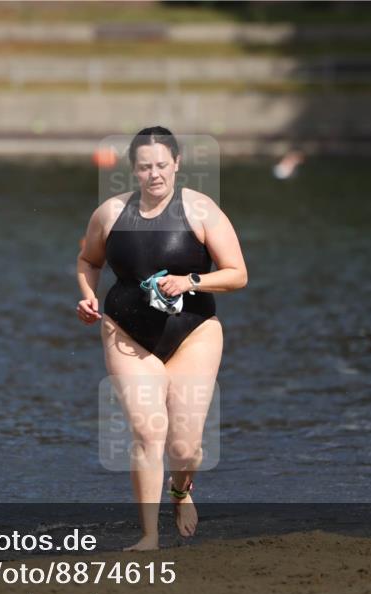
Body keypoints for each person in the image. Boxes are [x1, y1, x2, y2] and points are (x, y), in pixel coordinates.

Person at [76, 127, 248, 551]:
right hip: (126, 333)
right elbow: (87, 259)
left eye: (161, 165)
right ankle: (149, 536)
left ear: (177, 164)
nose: (154, 174)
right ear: (133, 169)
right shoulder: (110, 213)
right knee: (149, 435)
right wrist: (87, 297)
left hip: (194, 333)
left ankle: (181, 489)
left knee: (186, 448)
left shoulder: (201, 210)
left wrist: (190, 279)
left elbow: (237, 274)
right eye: (145, 166)